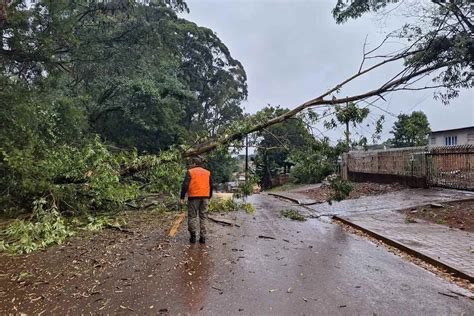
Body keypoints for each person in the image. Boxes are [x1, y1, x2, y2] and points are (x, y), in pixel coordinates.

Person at [180, 157, 213, 244]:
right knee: (203, 217)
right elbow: (211, 185)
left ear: (194, 164)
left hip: (193, 197)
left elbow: (185, 185)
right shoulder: (207, 172)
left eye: (192, 163)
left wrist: (182, 197)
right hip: (205, 197)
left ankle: (193, 237)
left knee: (192, 216)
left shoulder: (190, 172)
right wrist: (209, 196)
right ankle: (203, 238)